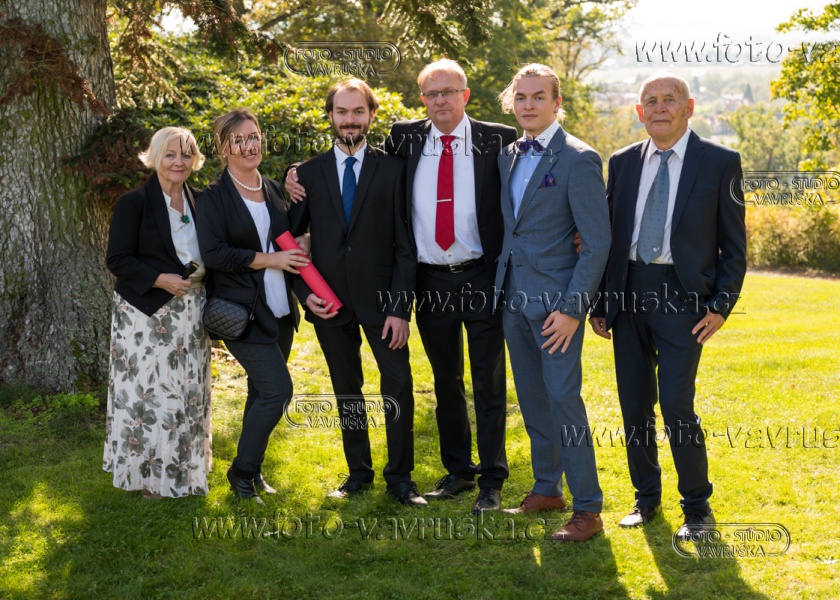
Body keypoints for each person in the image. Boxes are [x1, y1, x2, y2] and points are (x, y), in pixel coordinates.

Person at [287, 60, 517, 514]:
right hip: (427, 283)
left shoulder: (497, 139)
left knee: (486, 383)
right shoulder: (404, 141)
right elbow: (293, 237)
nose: (440, 100)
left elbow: (534, 177)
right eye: (431, 94)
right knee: (445, 382)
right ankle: (455, 471)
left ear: (465, 95)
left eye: (448, 92)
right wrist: (293, 172)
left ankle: (489, 478)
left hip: (480, 278)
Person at [589, 72, 746, 540]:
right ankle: (646, 499)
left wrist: (721, 305)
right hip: (628, 292)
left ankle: (697, 509)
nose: (659, 108)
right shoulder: (622, 162)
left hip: (683, 299)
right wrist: (601, 301)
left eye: (669, 99)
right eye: (650, 101)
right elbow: (609, 238)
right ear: (640, 112)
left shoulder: (720, 162)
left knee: (677, 405)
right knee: (634, 405)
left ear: (689, 107)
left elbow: (734, 246)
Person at [288, 79, 424, 506]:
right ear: (330, 116)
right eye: (342, 112)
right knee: (347, 388)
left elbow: (406, 244)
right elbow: (288, 241)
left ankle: (400, 477)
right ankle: (358, 473)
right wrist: (303, 293)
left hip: (384, 303)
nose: (350, 120)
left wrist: (400, 308)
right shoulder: (307, 174)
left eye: (358, 111)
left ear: (371, 115)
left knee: (398, 384)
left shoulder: (394, 169)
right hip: (328, 303)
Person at [495, 64, 611, 542]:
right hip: (513, 299)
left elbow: (597, 242)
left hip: (557, 308)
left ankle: (588, 509)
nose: (528, 105)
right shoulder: (507, 156)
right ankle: (547, 488)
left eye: (538, 97)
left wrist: (572, 310)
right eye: (521, 97)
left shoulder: (579, 158)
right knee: (532, 398)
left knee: (564, 400)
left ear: (556, 102)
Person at [196, 108, 307, 504]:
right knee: (278, 391)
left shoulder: (273, 188)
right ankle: (241, 473)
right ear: (224, 148)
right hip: (241, 313)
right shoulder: (213, 197)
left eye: (254, 136)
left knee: (259, 393)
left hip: (280, 309)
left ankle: (253, 469)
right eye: (238, 140)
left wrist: (300, 244)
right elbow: (214, 253)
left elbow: (286, 238)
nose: (249, 146)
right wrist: (268, 259)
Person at [103, 126, 211, 499]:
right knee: (148, 395)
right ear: (155, 157)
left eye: (186, 154)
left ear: (195, 160)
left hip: (192, 312)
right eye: (170, 154)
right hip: (144, 314)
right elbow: (117, 259)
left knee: (186, 393)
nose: (179, 161)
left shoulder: (201, 201)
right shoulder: (134, 203)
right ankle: (148, 477)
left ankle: (183, 468)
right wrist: (160, 280)